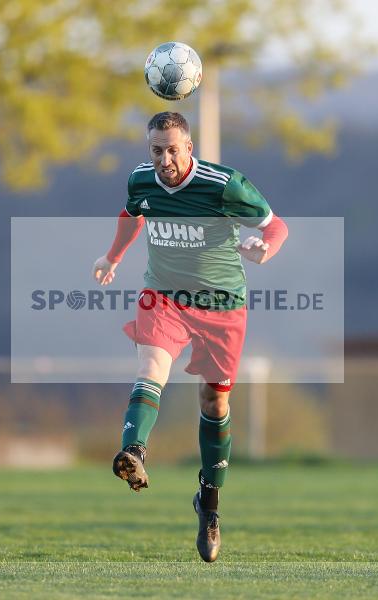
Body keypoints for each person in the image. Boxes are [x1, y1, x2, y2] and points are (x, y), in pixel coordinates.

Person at [92, 111, 288, 562]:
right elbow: (131, 214)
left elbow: (275, 226)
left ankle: (210, 502)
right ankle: (133, 451)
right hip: (163, 296)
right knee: (151, 367)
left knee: (214, 402)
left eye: (173, 150)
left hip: (221, 305)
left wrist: (265, 249)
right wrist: (112, 257)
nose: (165, 159)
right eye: (156, 151)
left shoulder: (224, 185)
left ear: (189, 147)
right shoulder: (142, 181)